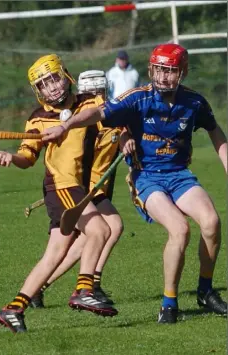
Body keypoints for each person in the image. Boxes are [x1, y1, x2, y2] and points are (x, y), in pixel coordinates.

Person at [42, 43, 227, 324]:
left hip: (179, 175)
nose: (164, 77)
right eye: (160, 70)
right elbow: (98, 113)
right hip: (148, 177)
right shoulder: (138, 98)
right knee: (180, 229)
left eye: (171, 71)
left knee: (212, 223)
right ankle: (169, 303)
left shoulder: (195, 102)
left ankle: (205, 291)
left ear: (182, 73)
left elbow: (216, 133)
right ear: (151, 70)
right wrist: (67, 125)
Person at [0, 55, 118, 333]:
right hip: (61, 186)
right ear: (37, 91)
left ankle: (13, 309)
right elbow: (28, 156)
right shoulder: (36, 120)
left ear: (66, 75)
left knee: (54, 254)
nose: (51, 87)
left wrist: (67, 124)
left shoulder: (87, 103)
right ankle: (84, 289)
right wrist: (11, 157)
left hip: (77, 186)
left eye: (54, 78)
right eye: (43, 84)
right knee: (99, 229)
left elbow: (103, 113)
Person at [29, 69, 128, 309]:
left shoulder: (109, 114)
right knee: (109, 228)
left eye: (100, 91)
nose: (97, 95)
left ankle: (41, 288)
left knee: (84, 240)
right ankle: (89, 284)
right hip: (87, 186)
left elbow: (124, 130)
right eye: (91, 92)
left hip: (98, 184)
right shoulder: (83, 121)